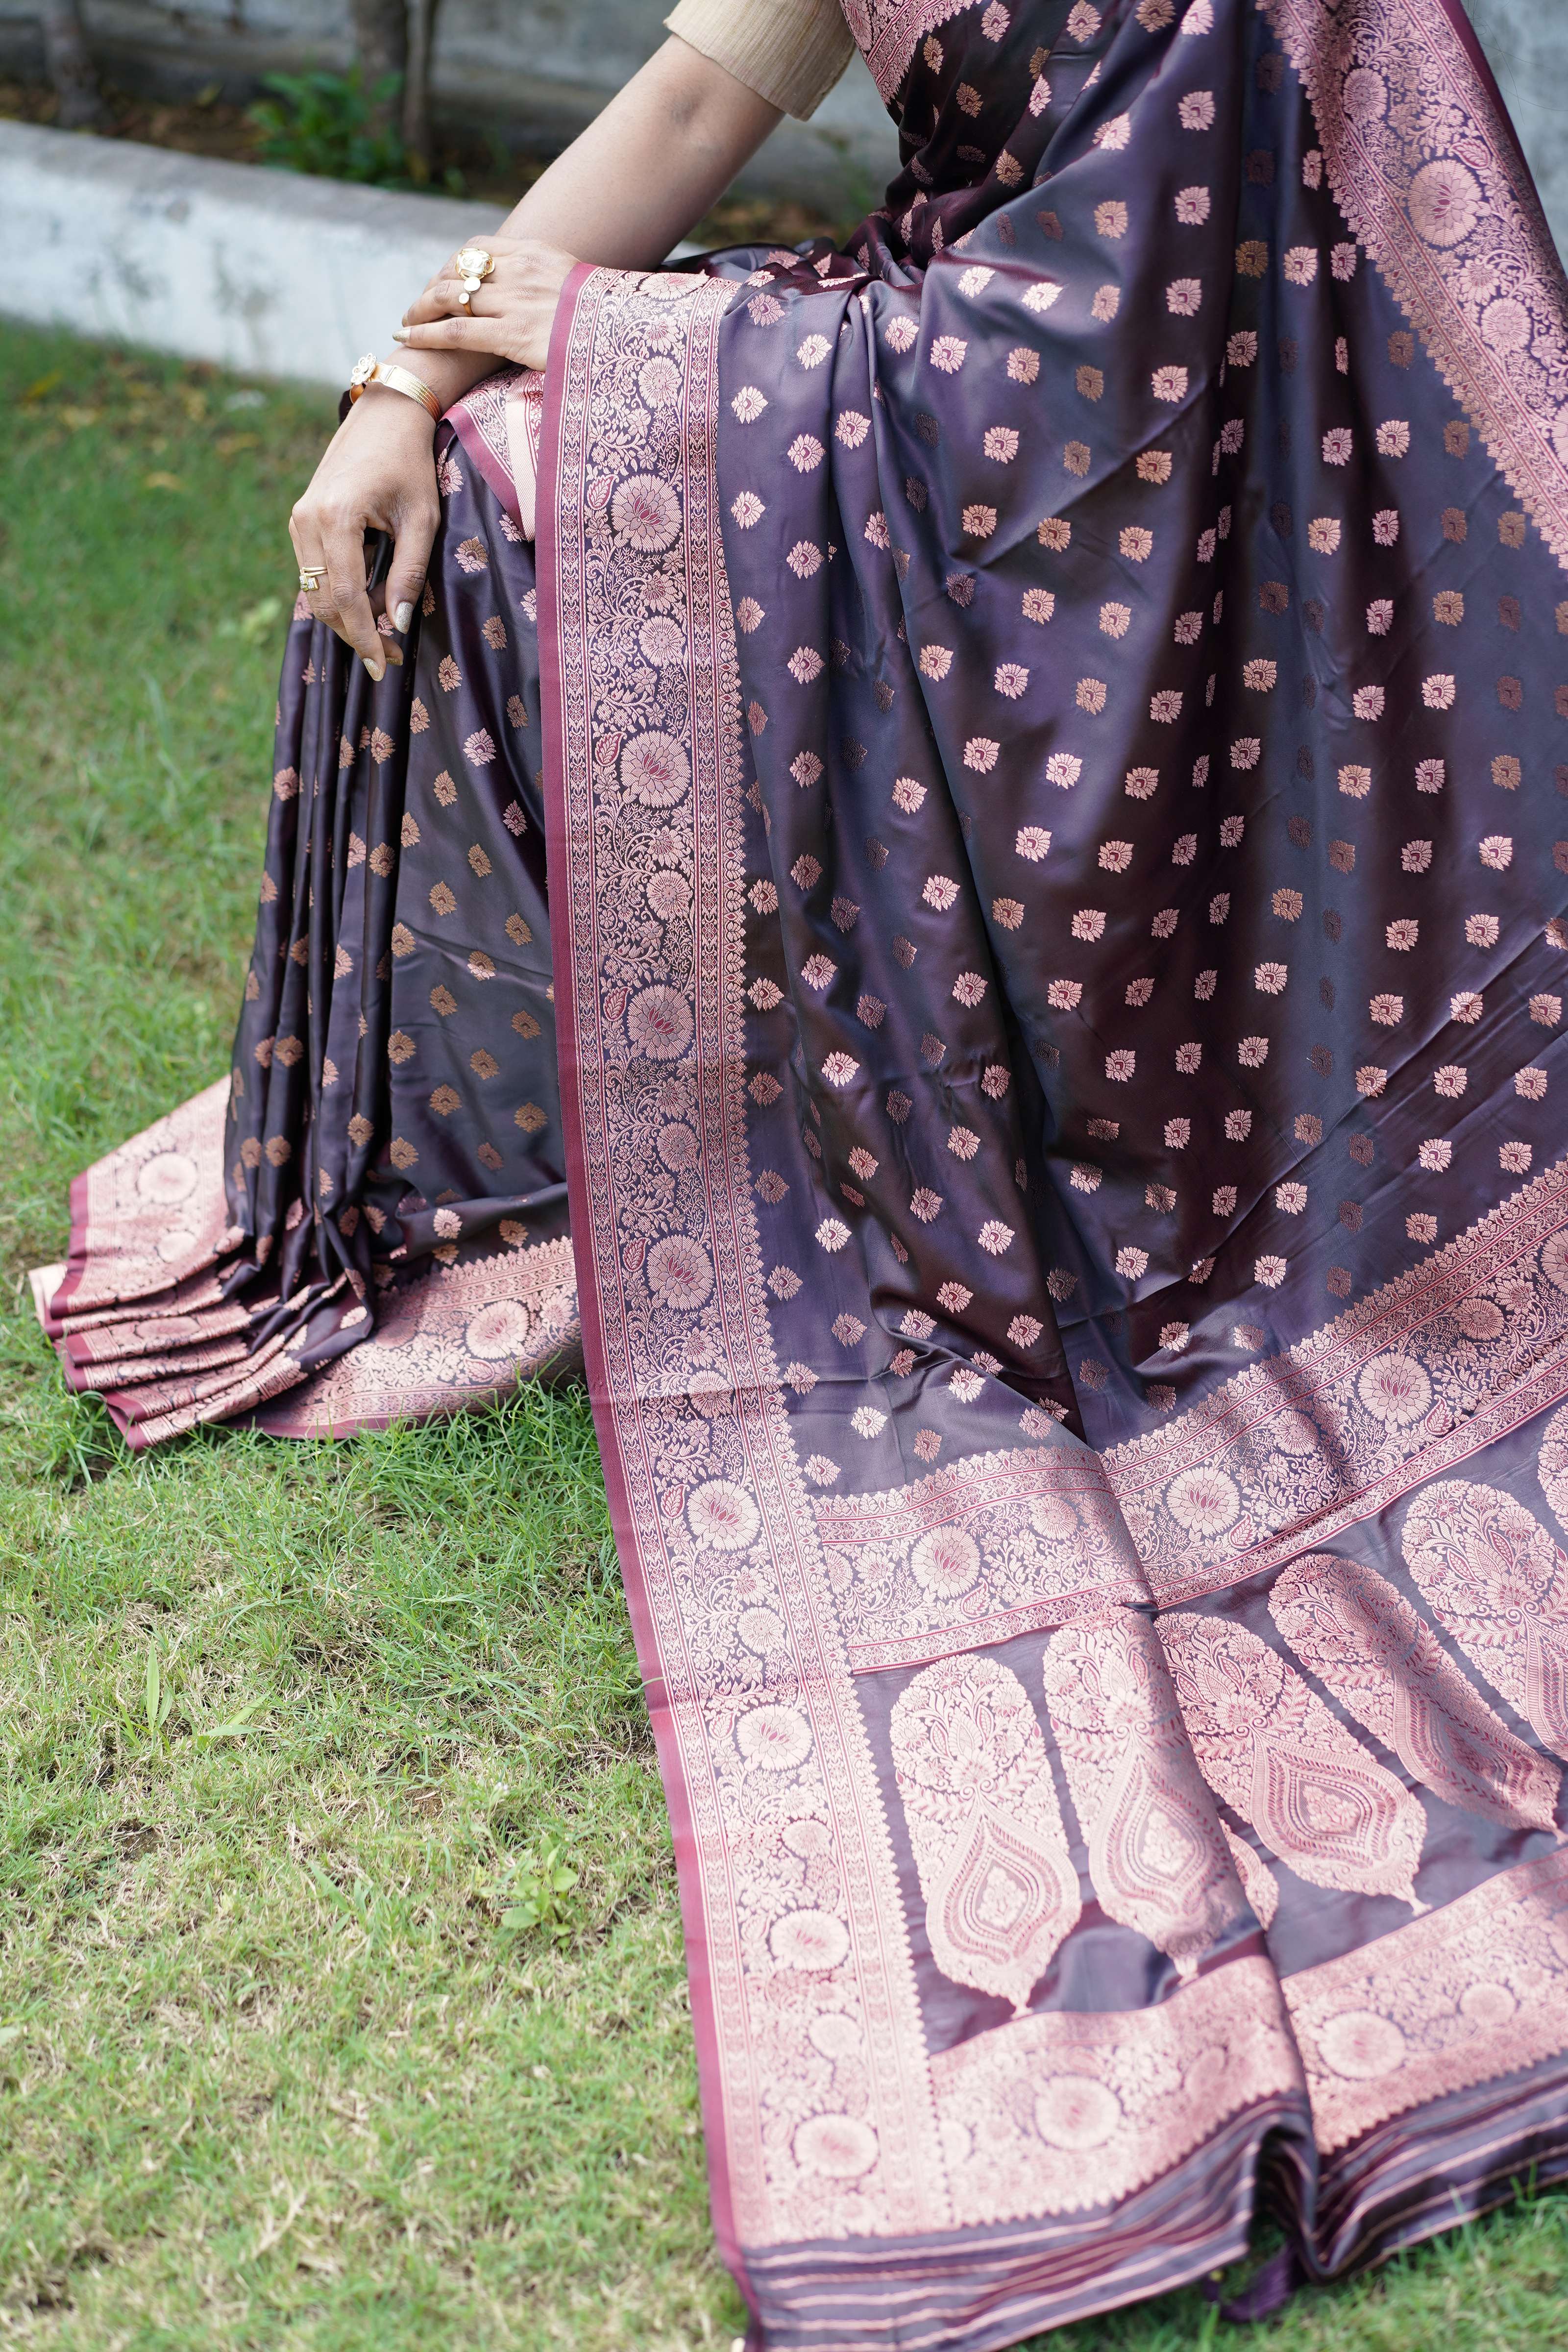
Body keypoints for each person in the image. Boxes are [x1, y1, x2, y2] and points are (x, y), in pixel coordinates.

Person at [35, 0, 1568, 2341]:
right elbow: (685, 109)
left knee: (624, 404)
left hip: (1226, 518)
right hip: (943, 463)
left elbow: (1142, 307)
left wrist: (642, 351)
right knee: (523, 471)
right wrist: (397, 393)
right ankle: (649, 1122)